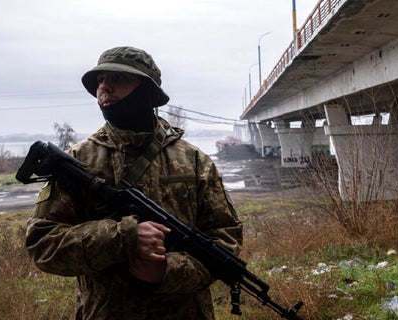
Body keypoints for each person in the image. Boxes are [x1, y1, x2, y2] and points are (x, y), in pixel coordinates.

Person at [25, 46, 243, 319]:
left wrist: (167, 271)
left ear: (146, 90)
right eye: (100, 80)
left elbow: (225, 240)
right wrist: (122, 237)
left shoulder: (195, 162)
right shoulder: (78, 161)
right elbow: (43, 243)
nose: (104, 87)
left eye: (117, 79)